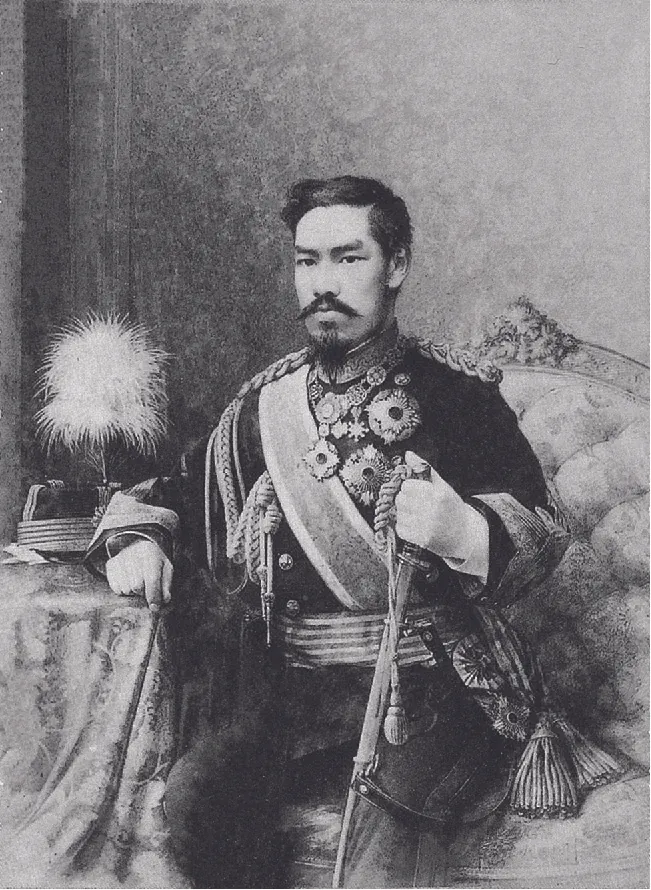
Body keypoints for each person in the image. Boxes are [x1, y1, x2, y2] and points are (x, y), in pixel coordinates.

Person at [86, 176, 623, 888]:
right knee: (197, 803)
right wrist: (138, 539)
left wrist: (463, 528)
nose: (323, 284)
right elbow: (176, 497)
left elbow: (545, 531)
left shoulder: (455, 394)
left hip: (435, 691)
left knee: (375, 840)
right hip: (295, 696)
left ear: (394, 265)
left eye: (347, 258)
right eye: (307, 261)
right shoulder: (260, 408)